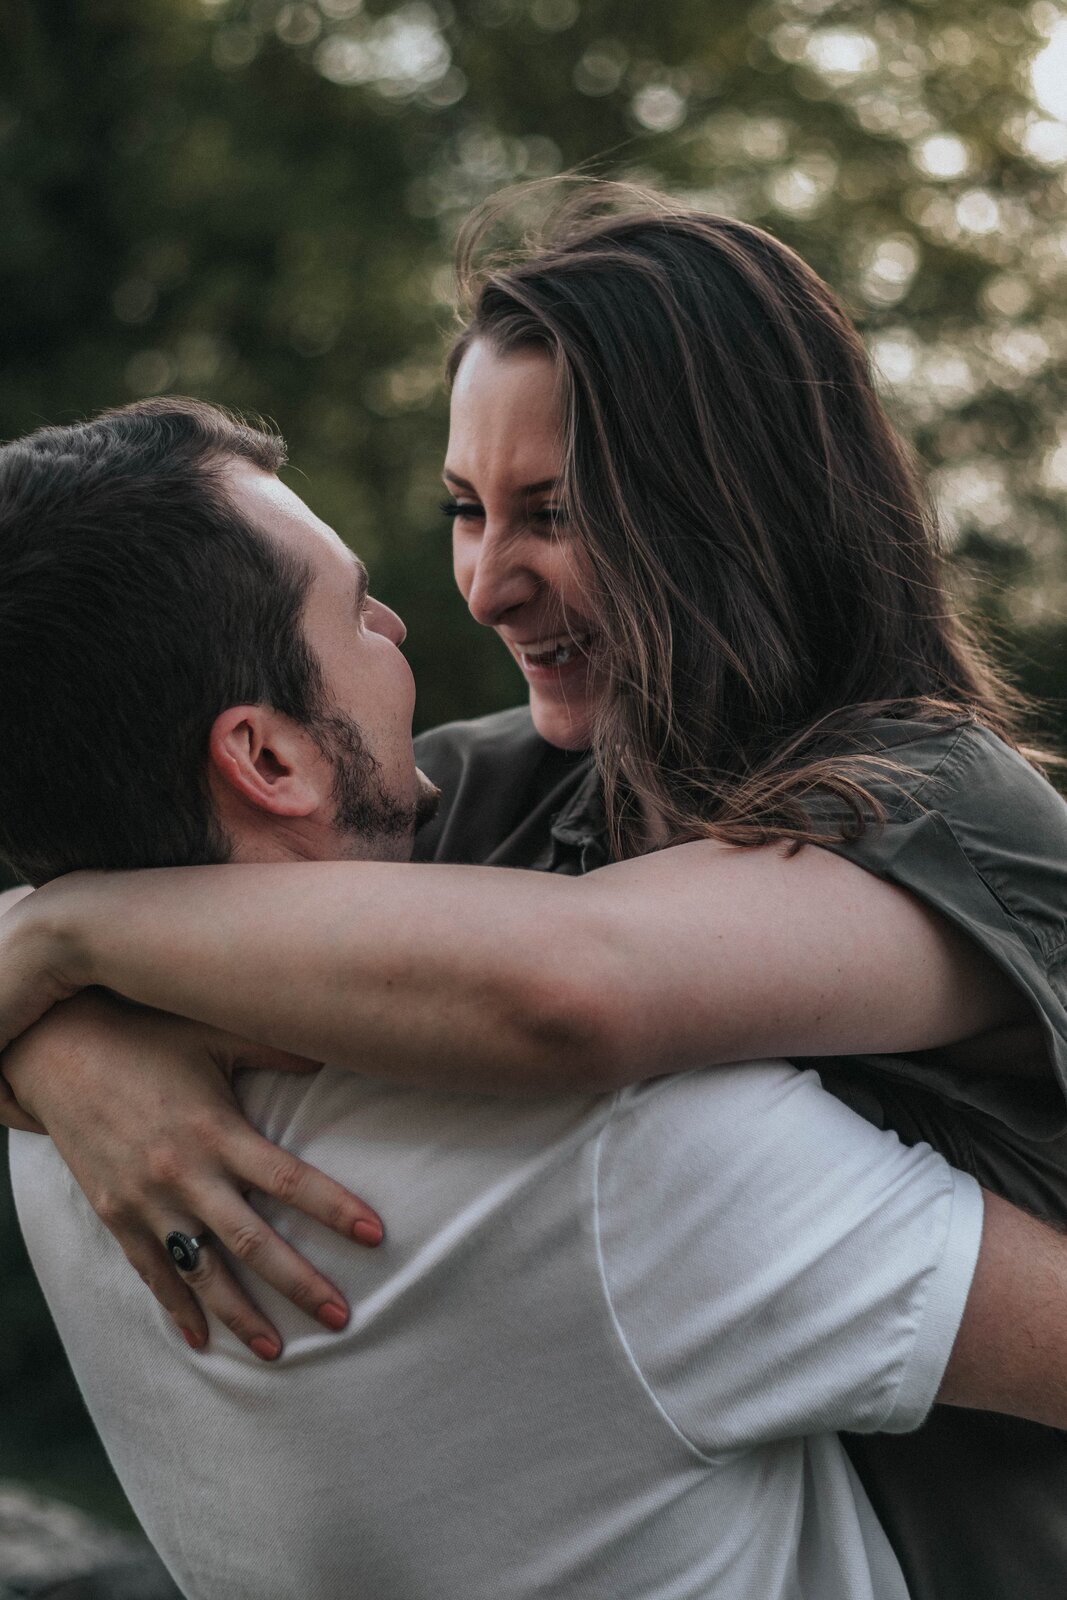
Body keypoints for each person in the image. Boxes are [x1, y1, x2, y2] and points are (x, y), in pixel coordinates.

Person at [2, 189, 1067, 1595]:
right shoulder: (505, 792)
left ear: (730, 510)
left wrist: (69, 941)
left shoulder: (935, 805)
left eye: (553, 513)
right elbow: (192, 846)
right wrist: (73, 1042)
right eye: (464, 510)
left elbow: (577, 988)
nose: (486, 585)